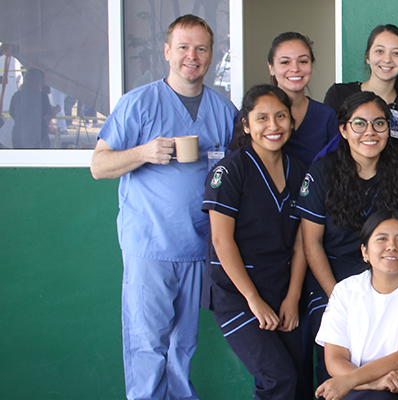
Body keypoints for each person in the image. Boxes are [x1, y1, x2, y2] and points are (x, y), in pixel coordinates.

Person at [89, 14, 237, 400]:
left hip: (198, 247)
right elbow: (99, 166)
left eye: (202, 48)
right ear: (168, 52)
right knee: (146, 343)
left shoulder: (223, 109)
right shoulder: (139, 103)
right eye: (184, 47)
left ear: (212, 55)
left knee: (183, 346)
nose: (193, 55)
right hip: (150, 245)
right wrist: (143, 152)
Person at [297, 91, 398, 389]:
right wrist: (340, 299)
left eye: (379, 124)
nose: (370, 132)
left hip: (389, 281)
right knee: (334, 360)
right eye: (359, 124)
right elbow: (311, 243)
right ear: (343, 130)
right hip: (334, 283)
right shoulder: (322, 173)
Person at [201, 84, 307, 400]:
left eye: (280, 116)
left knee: (299, 380)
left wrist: (292, 297)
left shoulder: (299, 171)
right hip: (237, 295)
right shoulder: (230, 171)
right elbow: (221, 240)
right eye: (262, 118)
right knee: (278, 377)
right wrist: (253, 299)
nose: (273, 126)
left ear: (292, 122)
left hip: (281, 288)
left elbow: (303, 242)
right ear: (246, 125)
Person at [315, 210, 398, 400]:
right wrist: (374, 383)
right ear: (365, 252)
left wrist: (352, 380)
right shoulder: (345, 290)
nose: (392, 246)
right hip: (358, 393)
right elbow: (335, 358)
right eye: (382, 239)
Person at [322, 25, 398, 155]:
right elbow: (328, 148)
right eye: (379, 51)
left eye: (396, 53)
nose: (387, 59)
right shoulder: (339, 94)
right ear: (367, 57)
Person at [267, 31, 339, 165]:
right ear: (271, 68)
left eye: (303, 61)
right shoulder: (255, 113)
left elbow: (336, 168)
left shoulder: (326, 116)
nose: (295, 68)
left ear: (311, 64)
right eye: (285, 62)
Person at [10, 68, 60, 148]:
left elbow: (12, 114)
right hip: (37, 135)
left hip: (19, 135)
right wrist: (57, 109)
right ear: (40, 81)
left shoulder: (17, 95)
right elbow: (48, 115)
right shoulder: (42, 96)